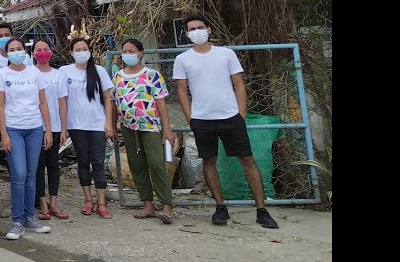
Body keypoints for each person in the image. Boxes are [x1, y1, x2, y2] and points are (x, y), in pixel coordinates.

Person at [172, 16, 280, 229]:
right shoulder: (182, 59)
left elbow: (239, 83)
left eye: (200, 27)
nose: (197, 31)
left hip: (231, 118)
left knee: (247, 160)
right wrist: (190, 118)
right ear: (186, 34)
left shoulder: (226, 54)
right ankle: (220, 208)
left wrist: (241, 113)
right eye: (192, 29)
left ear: (209, 30)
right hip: (202, 120)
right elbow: (182, 90)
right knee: (209, 162)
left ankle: (261, 210)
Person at [0, 37, 53, 239]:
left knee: (31, 175)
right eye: (12, 49)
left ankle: (29, 217)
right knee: (18, 174)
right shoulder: (2, 75)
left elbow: (43, 103)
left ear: (25, 51)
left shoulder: (35, 73)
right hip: (14, 129)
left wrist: (48, 130)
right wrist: (4, 133)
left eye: (19, 49)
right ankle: (17, 221)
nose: (16, 52)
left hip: (35, 128)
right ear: (6, 53)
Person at [115, 38, 176, 224]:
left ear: (140, 53)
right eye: (124, 51)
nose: (127, 54)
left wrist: (167, 129)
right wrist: (110, 125)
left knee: (156, 163)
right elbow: (113, 102)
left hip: (150, 126)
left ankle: (166, 205)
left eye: (131, 51)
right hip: (128, 127)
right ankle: (147, 204)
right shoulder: (118, 76)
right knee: (136, 164)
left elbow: (161, 103)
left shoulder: (152, 75)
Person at [62, 29, 116, 219]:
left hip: (96, 124)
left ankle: (101, 202)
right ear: (71, 52)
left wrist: (109, 123)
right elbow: (62, 99)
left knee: (98, 163)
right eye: (77, 49)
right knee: (83, 162)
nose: (82, 52)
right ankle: (87, 200)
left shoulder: (99, 71)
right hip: (76, 125)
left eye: (85, 49)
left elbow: (108, 98)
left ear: (90, 51)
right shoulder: (64, 72)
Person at [31, 39, 69, 221]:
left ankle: (54, 201)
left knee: (53, 164)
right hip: (35, 126)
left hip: (54, 126)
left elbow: (62, 103)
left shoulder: (58, 75)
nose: (43, 52)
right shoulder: (29, 74)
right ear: (33, 54)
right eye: (39, 49)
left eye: (46, 49)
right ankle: (42, 203)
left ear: (51, 53)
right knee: (38, 165)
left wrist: (63, 129)